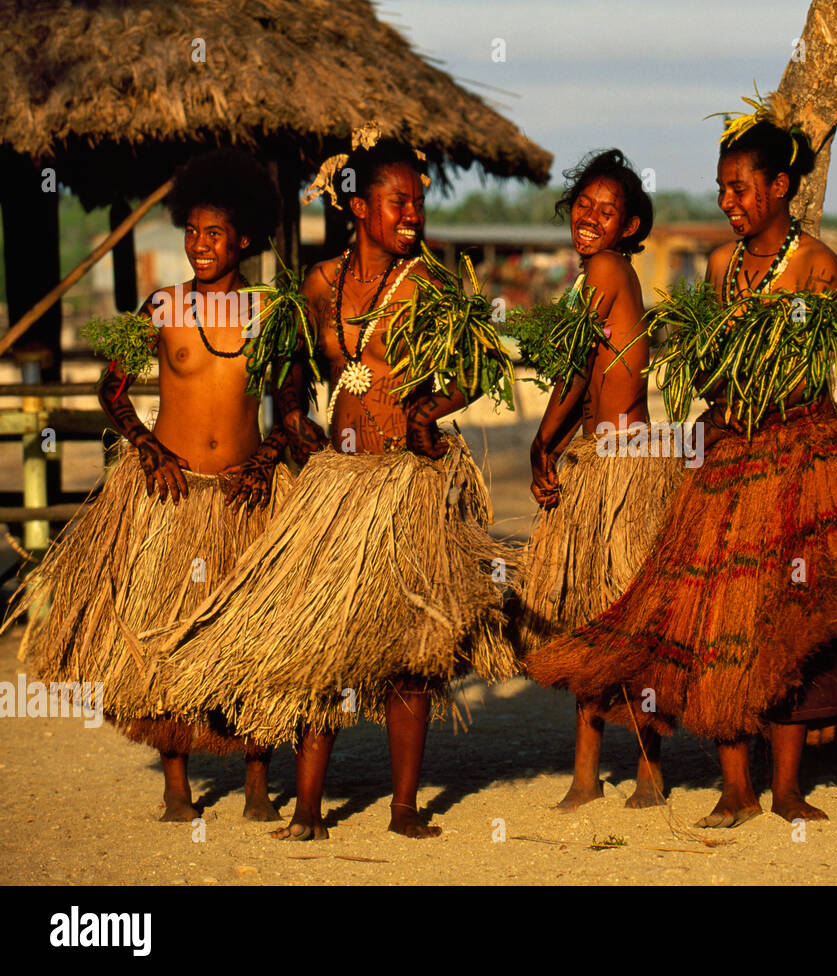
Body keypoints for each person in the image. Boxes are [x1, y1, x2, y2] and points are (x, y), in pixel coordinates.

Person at [529, 99, 837, 828]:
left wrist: (756, 371)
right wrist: (717, 374)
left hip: (801, 452)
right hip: (728, 452)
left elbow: (804, 367)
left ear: (779, 189)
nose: (728, 202)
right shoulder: (718, 264)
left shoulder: (817, 265)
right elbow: (703, 369)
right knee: (721, 615)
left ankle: (789, 788)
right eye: (722, 188)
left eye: (740, 189)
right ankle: (736, 789)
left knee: (798, 619)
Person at [149, 136, 517, 840]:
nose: (413, 212)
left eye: (418, 200)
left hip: (407, 482)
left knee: (413, 647)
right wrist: (292, 417)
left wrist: (428, 411)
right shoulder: (318, 284)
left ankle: (405, 808)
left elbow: (477, 364)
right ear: (357, 207)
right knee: (325, 647)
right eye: (397, 201)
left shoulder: (432, 285)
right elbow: (290, 369)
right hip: (336, 482)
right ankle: (309, 810)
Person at [4, 149, 292, 822]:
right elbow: (113, 387)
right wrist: (147, 447)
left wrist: (267, 457)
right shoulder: (161, 306)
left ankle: (256, 778)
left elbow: (296, 404)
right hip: (172, 496)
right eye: (191, 232)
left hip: (245, 498)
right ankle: (176, 784)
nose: (199, 246)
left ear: (243, 237)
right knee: (166, 635)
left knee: (253, 634)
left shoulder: (269, 311)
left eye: (213, 233)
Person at [516, 149, 681, 811]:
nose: (589, 217)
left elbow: (577, 372)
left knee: (618, 622)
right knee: (590, 620)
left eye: (606, 211)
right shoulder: (598, 273)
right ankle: (588, 775)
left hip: (622, 466)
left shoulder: (607, 270)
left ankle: (644, 771)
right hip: (602, 459)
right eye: (583, 204)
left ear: (630, 225)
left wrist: (539, 444)